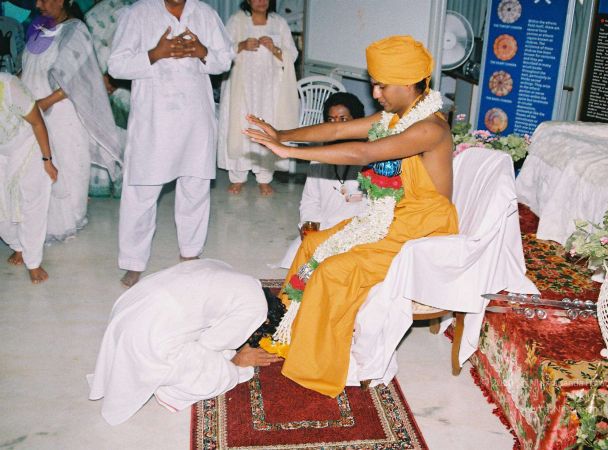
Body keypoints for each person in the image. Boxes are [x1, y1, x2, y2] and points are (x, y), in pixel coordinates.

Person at [245, 35, 459, 397]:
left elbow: (363, 153)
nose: (375, 93)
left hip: (422, 231)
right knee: (312, 244)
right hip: (391, 217)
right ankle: (287, 330)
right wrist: (282, 134)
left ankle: (317, 362)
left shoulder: (429, 128)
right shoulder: (395, 118)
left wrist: (287, 152)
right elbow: (338, 129)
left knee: (334, 270)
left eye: (382, 85)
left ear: (408, 83)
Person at [108, 0, 235, 288]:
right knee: (141, 191)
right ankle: (133, 261)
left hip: (195, 116)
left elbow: (225, 60)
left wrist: (202, 52)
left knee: (195, 186)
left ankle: (190, 252)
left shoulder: (204, 14)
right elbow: (116, 65)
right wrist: (155, 54)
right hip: (154, 119)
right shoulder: (138, 13)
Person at [88, 259, 283, 426]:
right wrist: (237, 361)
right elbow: (207, 347)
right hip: (144, 336)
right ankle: (165, 386)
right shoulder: (255, 310)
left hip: (129, 304)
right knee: (217, 373)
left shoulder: (242, 280)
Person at [20, 1, 123, 243]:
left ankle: (68, 222)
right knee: (36, 166)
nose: (39, 4)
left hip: (61, 111)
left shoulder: (76, 30)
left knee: (67, 164)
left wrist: (46, 102)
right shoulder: (38, 28)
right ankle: (37, 222)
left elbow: (82, 77)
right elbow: (28, 69)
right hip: (33, 109)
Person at [217, 0, 299, 196]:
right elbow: (221, 51)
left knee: (267, 128)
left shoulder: (279, 23)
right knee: (240, 127)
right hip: (241, 87)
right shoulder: (236, 21)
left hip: (270, 90)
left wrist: (275, 49)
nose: (261, 1)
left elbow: (292, 54)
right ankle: (238, 177)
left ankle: (264, 178)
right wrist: (241, 45)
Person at [278, 92, 367, 268]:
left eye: (343, 119)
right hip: (324, 227)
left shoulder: (370, 155)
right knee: (296, 260)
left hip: (356, 231)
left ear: (357, 122)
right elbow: (310, 199)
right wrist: (311, 225)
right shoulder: (318, 156)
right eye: (331, 120)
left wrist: (348, 198)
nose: (336, 126)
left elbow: (372, 204)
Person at [0, 73, 58, 283]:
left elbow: (38, 123)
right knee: (2, 205)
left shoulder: (9, 86)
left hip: (29, 143)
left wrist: (47, 160)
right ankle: (18, 246)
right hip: (2, 150)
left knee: (32, 203)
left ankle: (33, 261)